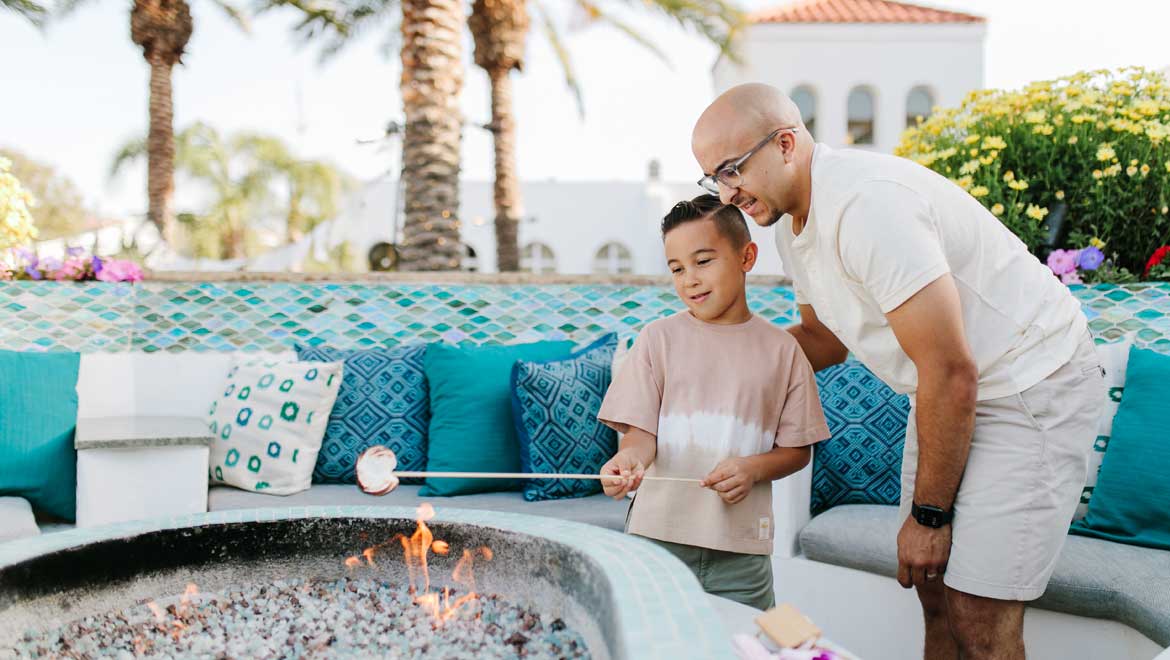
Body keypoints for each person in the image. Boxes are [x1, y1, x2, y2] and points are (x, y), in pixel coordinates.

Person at [691, 82, 1104, 659]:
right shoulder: (791, 225)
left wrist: (929, 518)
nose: (727, 194)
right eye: (714, 178)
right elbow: (823, 340)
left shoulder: (868, 208)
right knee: (931, 590)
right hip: (951, 388)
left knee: (979, 613)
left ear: (785, 144)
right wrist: (718, 356)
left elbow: (952, 370)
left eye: (732, 170)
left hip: (1030, 383)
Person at [597, 194, 830, 610]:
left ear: (747, 256)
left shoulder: (784, 351)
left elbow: (797, 451)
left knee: (746, 646)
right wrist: (628, 460)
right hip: (657, 542)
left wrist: (752, 468)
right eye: (677, 269)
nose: (690, 279)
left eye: (703, 261)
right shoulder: (657, 340)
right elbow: (639, 436)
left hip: (741, 554)